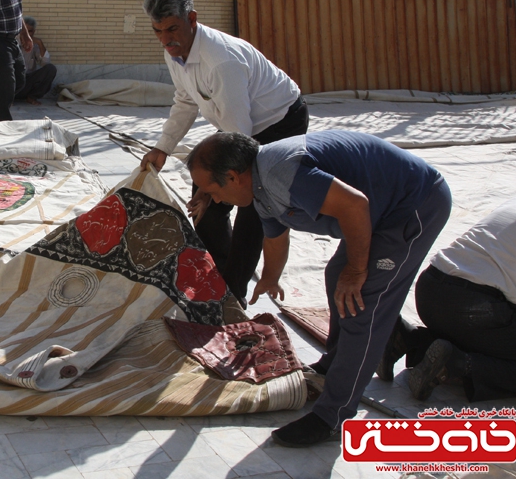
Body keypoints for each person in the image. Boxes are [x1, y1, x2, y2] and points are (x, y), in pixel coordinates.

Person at [186, 131, 451, 447]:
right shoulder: (258, 186)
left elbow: (354, 206)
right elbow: (275, 238)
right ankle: (332, 366)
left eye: (211, 190)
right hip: (378, 208)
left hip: (413, 203)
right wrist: (270, 278)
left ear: (233, 176)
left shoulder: (281, 172)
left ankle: (333, 416)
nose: (213, 200)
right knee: (336, 274)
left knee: (363, 300)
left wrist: (357, 269)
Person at [139, 0, 307, 307]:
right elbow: (186, 101)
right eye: (158, 31)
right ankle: (215, 271)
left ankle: (234, 291)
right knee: (206, 197)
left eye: (172, 29)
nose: (166, 39)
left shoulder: (221, 61)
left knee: (252, 202)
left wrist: (210, 192)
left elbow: (240, 142)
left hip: (280, 122)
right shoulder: (174, 52)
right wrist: (163, 148)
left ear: (192, 20)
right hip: (239, 126)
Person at [378, 194, 516, 402]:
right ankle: (457, 365)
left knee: (499, 335)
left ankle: (408, 339)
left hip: (430, 288)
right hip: (474, 306)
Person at [14, 16, 57, 104]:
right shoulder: (13, 42)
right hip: (14, 83)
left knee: (51, 69)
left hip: (28, 82)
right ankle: (8, 99)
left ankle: (32, 97)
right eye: (25, 31)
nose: (27, 34)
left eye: (30, 31)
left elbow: (45, 62)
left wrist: (40, 43)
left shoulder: (35, 44)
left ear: (34, 32)